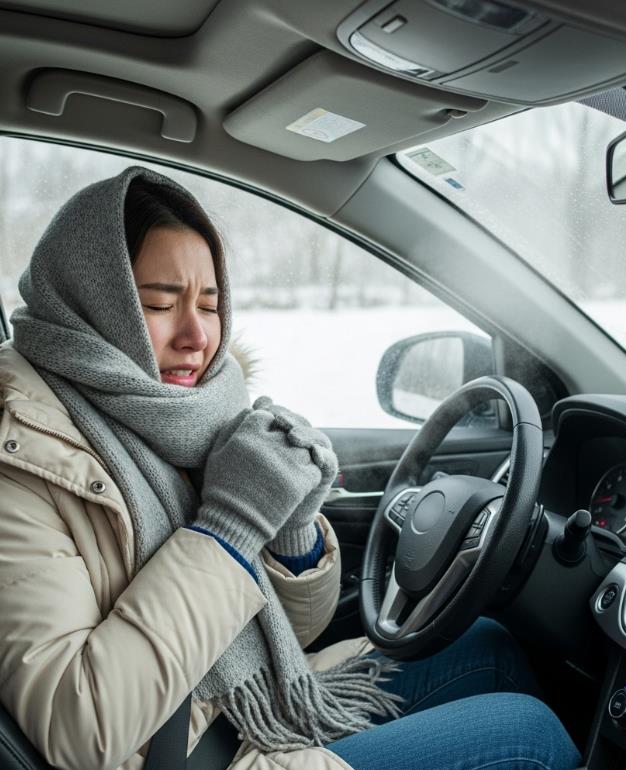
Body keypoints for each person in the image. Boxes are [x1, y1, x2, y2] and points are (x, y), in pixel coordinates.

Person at [0, 166, 581, 770]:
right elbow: (80, 725)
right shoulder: (26, 460)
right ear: (92, 305)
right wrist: (229, 528)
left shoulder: (184, 415)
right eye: (157, 304)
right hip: (196, 750)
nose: (197, 336)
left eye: (210, 303)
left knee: (487, 644)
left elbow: (295, 629)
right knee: (528, 736)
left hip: (256, 705)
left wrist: (295, 530)